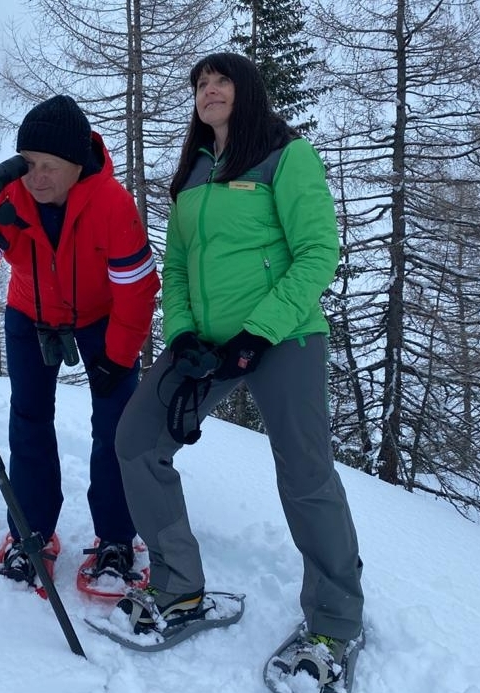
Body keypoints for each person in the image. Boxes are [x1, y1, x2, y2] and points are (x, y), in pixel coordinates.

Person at [111, 52, 364, 684]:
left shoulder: (286, 155)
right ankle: (178, 587)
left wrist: (258, 334)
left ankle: (334, 623)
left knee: (305, 475)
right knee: (137, 441)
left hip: (285, 338)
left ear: (246, 91)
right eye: (200, 82)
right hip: (207, 345)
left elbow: (316, 254)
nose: (209, 90)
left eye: (221, 80)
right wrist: (184, 333)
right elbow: (176, 266)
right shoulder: (194, 170)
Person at [0, 94, 160, 592]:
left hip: (102, 317)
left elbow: (137, 287)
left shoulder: (112, 204)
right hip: (29, 313)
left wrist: (119, 353)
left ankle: (117, 540)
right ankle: (32, 531)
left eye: (48, 166)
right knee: (29, 421)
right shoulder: (9, 197)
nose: (36, 177)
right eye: (28, 164)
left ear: (77, 162)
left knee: (114, 427)